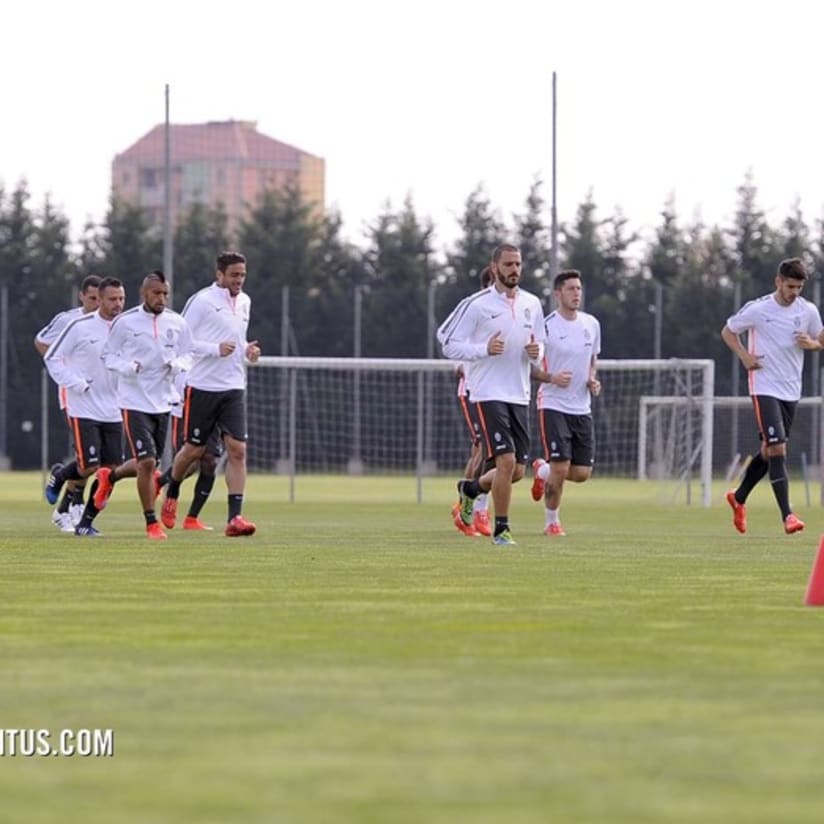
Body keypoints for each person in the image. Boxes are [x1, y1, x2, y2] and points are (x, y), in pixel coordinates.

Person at [438, 243, 545, 546]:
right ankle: (502, 530)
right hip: (487, 393)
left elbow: (541, 345)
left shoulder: (532, 304)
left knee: (514, 472)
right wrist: (482, 349)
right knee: (506, 461)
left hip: (519, 394)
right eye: (508, 264)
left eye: (518, 264)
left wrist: (537, 353)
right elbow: (447, 342)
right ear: (495, 267)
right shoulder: (477, 304)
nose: (514, 270)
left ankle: (470, 490)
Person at [160, 251, 261, 538]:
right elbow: (181, 341)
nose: (239, 280)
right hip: (202, 386)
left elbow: (238, 342)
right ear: (219, 275)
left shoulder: (245, 302)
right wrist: (214, 349)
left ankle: (236, 518)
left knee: (238, 450)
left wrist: (248, 351)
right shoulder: (202, 301)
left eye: (242, 275)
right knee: (193, 451)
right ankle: (173, 490)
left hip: (234, 387)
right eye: (234, 275)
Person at [722, 257, 824, 535]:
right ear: (778, 281)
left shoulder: (808, 311)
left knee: (769, 451)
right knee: (778, 449)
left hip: (791, 389)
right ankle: (788, 516)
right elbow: (728, 331)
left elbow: (821, 339)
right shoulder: (758, 309)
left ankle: (738, 496)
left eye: (799, 287)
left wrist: (812, 344)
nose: (794, 292)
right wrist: (744, 356)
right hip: (763, 385)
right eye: (790, 286)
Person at [100, 271, 193, 540]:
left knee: (148, 464)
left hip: (163, 401)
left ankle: (111, 476)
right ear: (144, 293)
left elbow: (189, 354)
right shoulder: (126, 322)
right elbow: (108, 355)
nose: (161, 298)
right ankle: (151, 523)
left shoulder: (177, 322)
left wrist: (178, 365)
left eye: (165, 293)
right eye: (156, 293)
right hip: (133, 401)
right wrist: (128, 368)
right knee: (149, 462)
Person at [43, 278, 138, 536]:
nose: (117, 304)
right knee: (88, 466)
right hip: (83, 406)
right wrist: (74, 383)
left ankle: (85, 523)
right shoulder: (78, 326)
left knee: (110, 471)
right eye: (111, 299)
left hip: (115, 408)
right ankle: (61, 475)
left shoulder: (129, 328)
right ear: (99, 299)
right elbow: (52, 357)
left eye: (121, 299)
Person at [529, 270, 601, 536]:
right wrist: (552, 377)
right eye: (570, 289)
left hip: (581, 408)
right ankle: (552, 522)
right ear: (558, 294)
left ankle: (541, 470)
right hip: (552, 404)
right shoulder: (546, 327)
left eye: (579, 289)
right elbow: (530, 369)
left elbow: (592, 361)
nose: (576, 294)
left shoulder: (591, 324)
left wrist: (592, 380)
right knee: (561, 468)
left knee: (581, 473)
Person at [36, 275, 100, 531]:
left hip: (103, 397)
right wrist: (65, 368)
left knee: (95, 457)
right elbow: (41, 341)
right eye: (92, 298)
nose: (97, 303)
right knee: (86, 456)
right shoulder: (68, 320)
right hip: (73, 395)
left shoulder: (110, 322)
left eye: (100, 298)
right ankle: (72, 508)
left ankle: (65, 504)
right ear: (82, 296)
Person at [443, 266, 493, 538]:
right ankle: (473, 507)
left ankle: (466, 504)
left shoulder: (509, 312)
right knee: (484, 448)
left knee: (484, 449)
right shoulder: (473, 311)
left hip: (498, 392)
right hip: (473, 390)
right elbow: (455, 352)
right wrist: (464, 364)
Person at [154, 366, 225, 531]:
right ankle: (169, 492)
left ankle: (192, 518)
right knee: (190, 461)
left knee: (210, 461)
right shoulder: (184, 342)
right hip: (184, 406)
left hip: (210, 402)